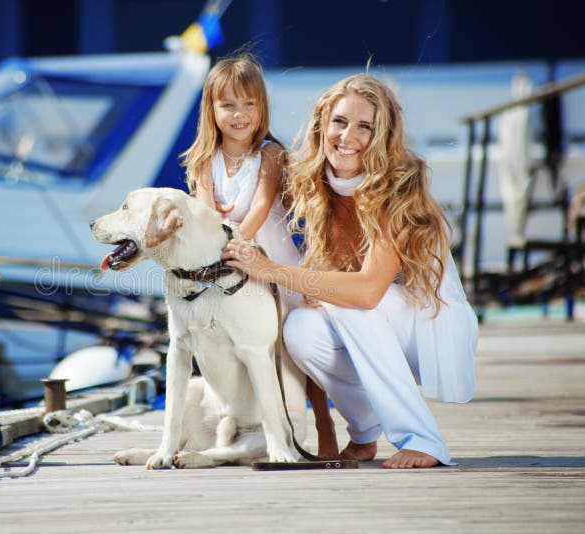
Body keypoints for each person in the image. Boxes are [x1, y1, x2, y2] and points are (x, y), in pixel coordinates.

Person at [222, 73, 478, 468]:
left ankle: (423, 439)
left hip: (431, 324)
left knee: (347, 304)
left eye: (365, 127)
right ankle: (364, 432)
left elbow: (367, 292)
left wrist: (271, 270)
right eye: (340, 122)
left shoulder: (397, 185)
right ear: (323, 123)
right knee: (300, 330)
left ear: (382, 136)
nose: (348, 136)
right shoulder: (312, 181)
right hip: (373, 323)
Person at [181, 53, 340, 459]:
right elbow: (203, 212)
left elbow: (259, 207)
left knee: (292, 345)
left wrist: (237, 244)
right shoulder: (204, 160)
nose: (240, 114)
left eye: (249, 104)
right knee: (250, 347)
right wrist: (218, 253)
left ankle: (323, 423)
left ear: (262, 107)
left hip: (269, 260)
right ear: (211, 110)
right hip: (230, 265)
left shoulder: (269, 154)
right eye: (228, 105)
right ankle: (253, 424)